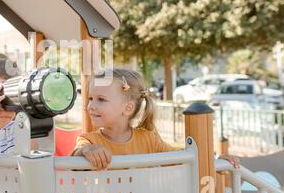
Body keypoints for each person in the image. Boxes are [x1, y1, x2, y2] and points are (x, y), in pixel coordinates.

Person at [71, 68, 240, 170]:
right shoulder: (88, 140)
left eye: (101, 99)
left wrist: (215, 162)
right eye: (90, 98)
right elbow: (76, 156)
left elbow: (185, 161)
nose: (91, 105)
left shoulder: (149, 139)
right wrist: (86, 152)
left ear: (127, 108)